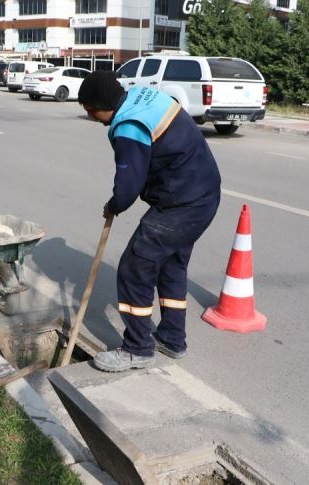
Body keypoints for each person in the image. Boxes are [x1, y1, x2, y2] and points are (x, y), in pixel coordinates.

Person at [77, 71, 221, 372]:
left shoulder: (128, 126)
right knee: (171, 265)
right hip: (203, 194)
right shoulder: (142, 96)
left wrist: (114, 204)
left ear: (101, 105)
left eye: (91, 110)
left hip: (180, 204)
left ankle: (138, 349)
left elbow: (129, 183)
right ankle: (171, 338)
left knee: (134, 267)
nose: (90, 116)